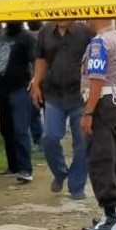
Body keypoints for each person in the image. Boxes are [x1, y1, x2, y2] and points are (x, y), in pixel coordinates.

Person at [79, 19, 116, 230]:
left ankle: (110, 217)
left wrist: (89, 112)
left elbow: (97, 78)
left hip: (102, 102)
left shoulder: (99, 43)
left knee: (100, 158)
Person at [31, 20, 93, 200]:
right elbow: (41, 59)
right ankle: (60, 173)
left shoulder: (85, 32)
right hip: (54, 95)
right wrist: (36, 83)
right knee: (49, 137)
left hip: (79, 97)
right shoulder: (45, 31)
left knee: (82, 142)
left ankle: (76, 185)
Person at [0, 22, 37, 183]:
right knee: (6, 129)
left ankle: (25, 169)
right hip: (2, 88)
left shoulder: (27, 37)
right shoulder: (1, 35)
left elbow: (35, 61)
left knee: (20, 128)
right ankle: (13, 167)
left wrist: (36, 81)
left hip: (20, 88)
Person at [27, 20, 45, 150]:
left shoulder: (28, 36)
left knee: (34, 111)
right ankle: (43, 140)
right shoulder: (46, 35)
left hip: (34, 78)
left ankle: (38, 140)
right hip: (46, 78)